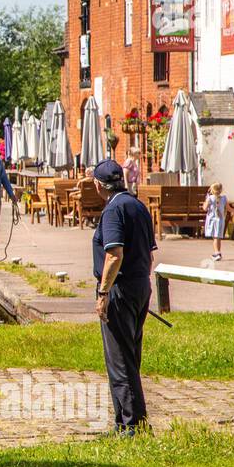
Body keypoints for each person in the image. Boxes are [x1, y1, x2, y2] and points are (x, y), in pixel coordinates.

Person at [91, 159, 157, 435]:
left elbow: (113, 253)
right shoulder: (137, 205)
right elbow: (150, 253)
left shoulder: (113, 210)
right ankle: (125, 421)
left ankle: (133, 425)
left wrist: (104, 291)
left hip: (121, 287)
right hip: (140, 283)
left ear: (98, 184)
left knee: (119, 360)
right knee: (129, 356)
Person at [202, 182, 228, 261]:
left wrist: (206, 199)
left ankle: (217, 253)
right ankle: (218, 252)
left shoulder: (210, 198)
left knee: (215, 237)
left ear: (212, 190)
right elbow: (228, 208)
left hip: (212, 220)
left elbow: (205, 208)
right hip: (220, 220)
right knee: (218, 237)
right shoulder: (224, 198)